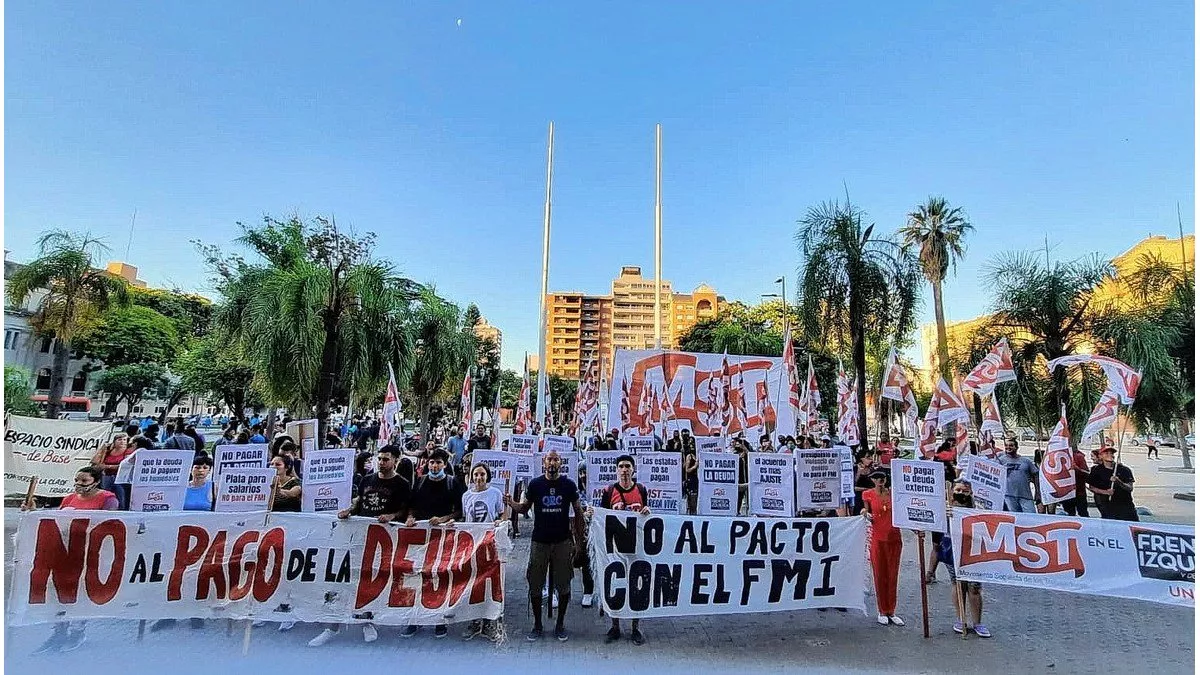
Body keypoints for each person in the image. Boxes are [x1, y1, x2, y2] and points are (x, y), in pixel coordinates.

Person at [309, 446, 411, 648]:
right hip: (357, 536)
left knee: (370, 581)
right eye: (379, 459)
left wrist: (392, 516)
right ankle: (332, 627)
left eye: (386, 459)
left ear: (395, 461)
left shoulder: (402, 484)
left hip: (383, 540)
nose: (381, 462)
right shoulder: (367, 479)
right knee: (343, 578)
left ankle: (367, 621)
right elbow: (360, 502)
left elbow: (406, 510)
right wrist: (350, 510)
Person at [28, 466, 117, 653]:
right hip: (65, 551)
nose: (78, 484)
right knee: (59, 592)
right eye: (77, 480)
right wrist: (33, 513)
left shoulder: (108, 499)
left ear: (96, 481)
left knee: (81, 592)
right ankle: (59, 631)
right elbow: (56, 519)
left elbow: (109, 523)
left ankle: (78, 631)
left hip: (89, 553)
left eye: (84, 481)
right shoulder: (69, 498)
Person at [505, 450, 586, 642]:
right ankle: (537, 624)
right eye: (549, 459)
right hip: (539, 541)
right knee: (535, 584)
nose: (552, 463)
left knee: (564, 585)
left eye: (556, 459)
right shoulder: (535, 484)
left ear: (561, 463)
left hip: (562, 542)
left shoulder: (568, 485)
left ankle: (560, 624)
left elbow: (578, 512)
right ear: (544, 462)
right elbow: (524, 508)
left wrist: (579, 542)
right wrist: (511, 503)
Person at [402, 449, 464, 638]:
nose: (434, 466)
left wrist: (444, 519)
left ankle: (439, 620)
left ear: (444, 464)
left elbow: (459, 511)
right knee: (416, 577)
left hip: (443, 538)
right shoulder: (420, 482)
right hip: (420, 538)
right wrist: (411, 516)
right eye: (431, 463)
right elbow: (410, 505)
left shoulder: (452, 483)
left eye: (438, 463)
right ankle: (416, 619)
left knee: (439, 577)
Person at [590, 454, 651, 645]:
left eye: (627, 466)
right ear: (616, 470)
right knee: (615, 584)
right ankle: (615, 626)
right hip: (614, 547)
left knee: (637, 586)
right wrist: (592, 514)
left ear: (633, 470)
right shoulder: (609, 491)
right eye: (621, 466)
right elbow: (600, 517)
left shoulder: (641, 489)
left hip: (635, 546)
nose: (624, 470)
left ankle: (635, 628)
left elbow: (646, 514)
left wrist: (646, 512)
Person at [460, 462, 508, 643]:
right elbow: (465, 519)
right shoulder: (466, 496)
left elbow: (504, 515)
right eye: (476, 475)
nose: (479, 478)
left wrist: (499, 523)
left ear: (487, 476)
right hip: (472, 546)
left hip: (490, 545)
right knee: (473, 582)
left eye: (482, 474)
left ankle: (489, 621)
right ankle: (473, 620)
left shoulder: (495, 493)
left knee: (490, 582)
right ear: (471, 477)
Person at [939, 479, 991, 638]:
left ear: (970, 493)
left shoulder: (977, 508)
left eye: (965, 491)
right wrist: (945, 514)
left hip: (973, 552)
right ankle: (961, 619)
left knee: (974, 588)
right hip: (952, 551)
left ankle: (978, 623)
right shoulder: (946, 507)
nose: (961, 493)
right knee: (957, 584)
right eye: (958, 490)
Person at [861, 468, 904, 627]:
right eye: (876, 478)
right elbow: (865, 509)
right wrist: (865, 513)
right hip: (878, 538)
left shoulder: (894, 494)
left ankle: (891, 610)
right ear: (872, 480)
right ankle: (881, 610)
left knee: (893, 575)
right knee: (880, 575)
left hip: (894, 538)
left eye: (882, 477)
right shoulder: (868, 494)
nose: (880, 480)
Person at [926, 440, 958, 583]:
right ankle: (930, 573)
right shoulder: (932, 479)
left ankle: (954, 574)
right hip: (939, 514)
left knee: (947, 545)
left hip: (951, 513)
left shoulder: (953, 478)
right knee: (937, 545)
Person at [1087, 445, 1138, 521]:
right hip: (1107, 506)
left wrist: (1119, 482)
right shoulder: (1096, 470)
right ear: (1101, 456)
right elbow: (1092, 487)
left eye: (1111, 453)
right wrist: (1106, 492)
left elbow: (1130, 488)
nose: (1110, 455)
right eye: (1106, 453)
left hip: (1125, 505)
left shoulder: (1124, 470)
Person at [92, 432, 134, 509]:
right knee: (106, 497)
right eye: (119, 439)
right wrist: (102, 449)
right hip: (106, 476)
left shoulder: (128, 452)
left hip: (120, 478)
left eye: (124, 440)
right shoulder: (108, 451)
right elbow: (96, 462)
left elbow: (124, 466)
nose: (122, 441)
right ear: (114, 441)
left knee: (121, 498)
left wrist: (107, 466)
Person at [997, 437, 1038, 513]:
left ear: (1016, 447)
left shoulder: (1026, 461)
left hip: (1025, 495)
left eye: (1011, 445)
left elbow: (1036, 475)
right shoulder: (1000, 460)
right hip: (1008, 496)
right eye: (1006, 445)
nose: (1008, 447)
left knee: (1032, 516)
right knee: (1015, 518)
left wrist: (1038, 493)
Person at [1061, 443, 1091, 518]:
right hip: (1066, 493)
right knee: (1069, 515)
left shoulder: (1079, 457)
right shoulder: (1060, 457)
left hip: (1079, 492)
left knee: (1083, 514)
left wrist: (1077, 469)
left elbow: (1087, 474)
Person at [852, 451, 875, 515]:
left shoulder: (872, 470)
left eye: (871, 457)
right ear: (861, 459)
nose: (870, 459)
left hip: (869, 497)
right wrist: (859, 472)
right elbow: (853, 485)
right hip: (858, 496)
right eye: (868, 457)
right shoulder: (855, 468)